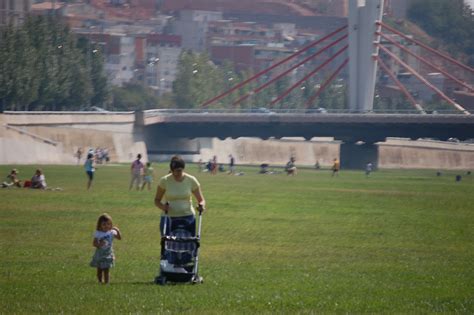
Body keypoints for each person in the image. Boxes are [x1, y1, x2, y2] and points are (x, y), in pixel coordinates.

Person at [154, 156, 205, 237]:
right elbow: (156, 200)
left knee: (188, 245)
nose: (177, 173)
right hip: (168, 218)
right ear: (171, 170)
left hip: (188, 218)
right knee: (167, 245)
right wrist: (163, 207)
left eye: (179, 171)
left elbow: (201, 200)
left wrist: (201, 205)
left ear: (183, 169)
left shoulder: (191, 180)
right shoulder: (164, 181)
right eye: (175, 171)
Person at [90, 213, 122, 284]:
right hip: (100, 255)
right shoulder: (98, 233)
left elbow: (119, 238)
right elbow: (94, 243)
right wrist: (99, 244)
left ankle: (107, 283)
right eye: (104, 224)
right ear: (100, 225)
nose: (106, 226)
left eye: (108, 224)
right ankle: (100, 281)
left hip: (108, 254)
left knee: (106, 270)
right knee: (99, 270)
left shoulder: (111, 232)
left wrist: (117, 231)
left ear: (111, 225)